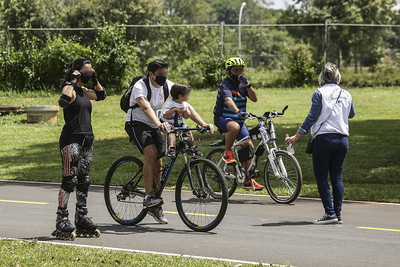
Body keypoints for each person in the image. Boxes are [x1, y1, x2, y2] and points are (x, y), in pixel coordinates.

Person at [125, 59, 214, 224]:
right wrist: (159, 124)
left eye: (166, 73)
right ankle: (148, 196)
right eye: (160, 74)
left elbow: (187, 106)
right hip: (137, 123)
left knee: (159, 162)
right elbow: (145, 107)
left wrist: (203, 124)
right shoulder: (140, 86)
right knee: (151, 154)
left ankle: (155, 205)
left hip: (158, 125)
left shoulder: (168, 86)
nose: (164, 77)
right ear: (151, 74)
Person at [286, 62, 355, 225]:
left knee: (321, 176)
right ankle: (337, 214)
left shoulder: (319, 93)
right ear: (338, 76)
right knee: (337, 177)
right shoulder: (346, 94)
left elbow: (312, 117)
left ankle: (329, 213)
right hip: (342, 139)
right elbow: (351, 114)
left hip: (324, 139)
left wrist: (296, 136)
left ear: (322, 77)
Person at [53, 58, 106, 239]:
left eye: (91, 70)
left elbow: (101, 95)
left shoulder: (84, 91)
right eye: (86, 70)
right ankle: (62, 218)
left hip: (86, 140)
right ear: (77, 71)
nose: (89, 72)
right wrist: (72, 80)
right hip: (71, 140)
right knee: (69, 180)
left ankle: (81, 217)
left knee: (84, 180)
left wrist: (95, 80)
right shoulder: (71, 89)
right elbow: (63, 101)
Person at [213, 57, 264, 190]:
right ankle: (227, 152)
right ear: (229, 71)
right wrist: (238, 111)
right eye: (236, 70)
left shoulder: (243, 84)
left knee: (248, 147)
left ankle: (248, 180)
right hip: (223, 118)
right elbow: (228, 100)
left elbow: (254, 99)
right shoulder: (225, 84)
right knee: (234, 127)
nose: (239, 73)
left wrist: (248, 85)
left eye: (241, 70)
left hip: (239, 120)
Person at [162, 82, 214, 157]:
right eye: (187, 95)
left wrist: (186, 111)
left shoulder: (184, 104)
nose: (188, 96)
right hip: (170, 124)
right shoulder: (169, 104)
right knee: (171, 133)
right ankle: (171, 148)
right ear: (180, 96)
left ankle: (193, 147)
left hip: (180, 123)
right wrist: (173, 110)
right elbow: (165, 116)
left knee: (188, 131)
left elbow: (186, 117)